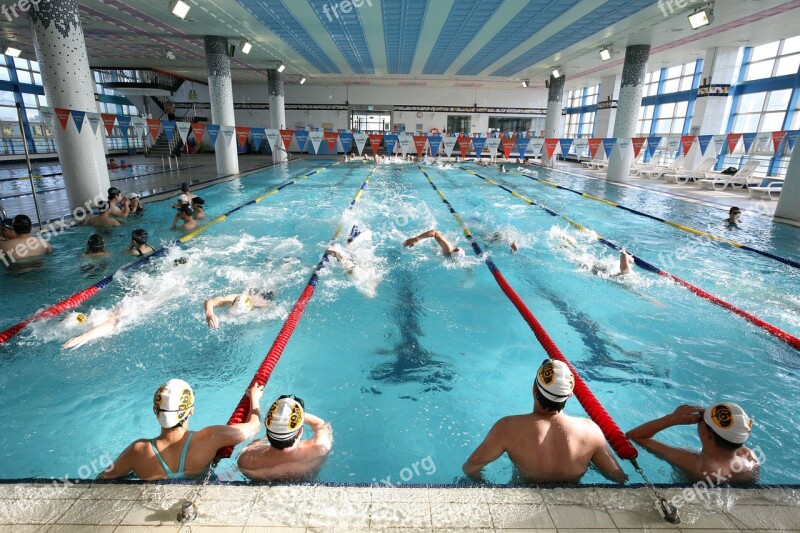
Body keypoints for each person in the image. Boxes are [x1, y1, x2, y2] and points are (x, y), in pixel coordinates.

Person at [463, 359, 628, 484]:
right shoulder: (590, 431)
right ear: (569, 395)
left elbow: (470, 468)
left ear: (535, 388)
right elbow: (619, 477)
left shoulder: (508, 428)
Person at [98, 380, 264, 480]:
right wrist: (254, 399)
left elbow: (103, 479)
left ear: (156, 412)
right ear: (190, 411)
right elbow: (254, 426)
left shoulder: (138, 450)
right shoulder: (210, 437)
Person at [627, 403, 759, 484]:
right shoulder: (749, 457)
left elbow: (635, 436)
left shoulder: (695, 463)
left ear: (708, 434)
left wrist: (672, 419)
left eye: (701, 419)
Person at [237, 395, 332, 482]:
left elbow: (252, 445)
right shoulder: (318, 451)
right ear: (300, 431)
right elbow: (322, 426)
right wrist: (299, 415)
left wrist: (261, 441)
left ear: (266, 425)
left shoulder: (246, 461)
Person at [204, 288, 274, 329]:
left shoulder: (260, 303)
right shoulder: (234, 298)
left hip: (262, 297)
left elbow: (270, 307)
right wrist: (209, 313)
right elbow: (210, 301)